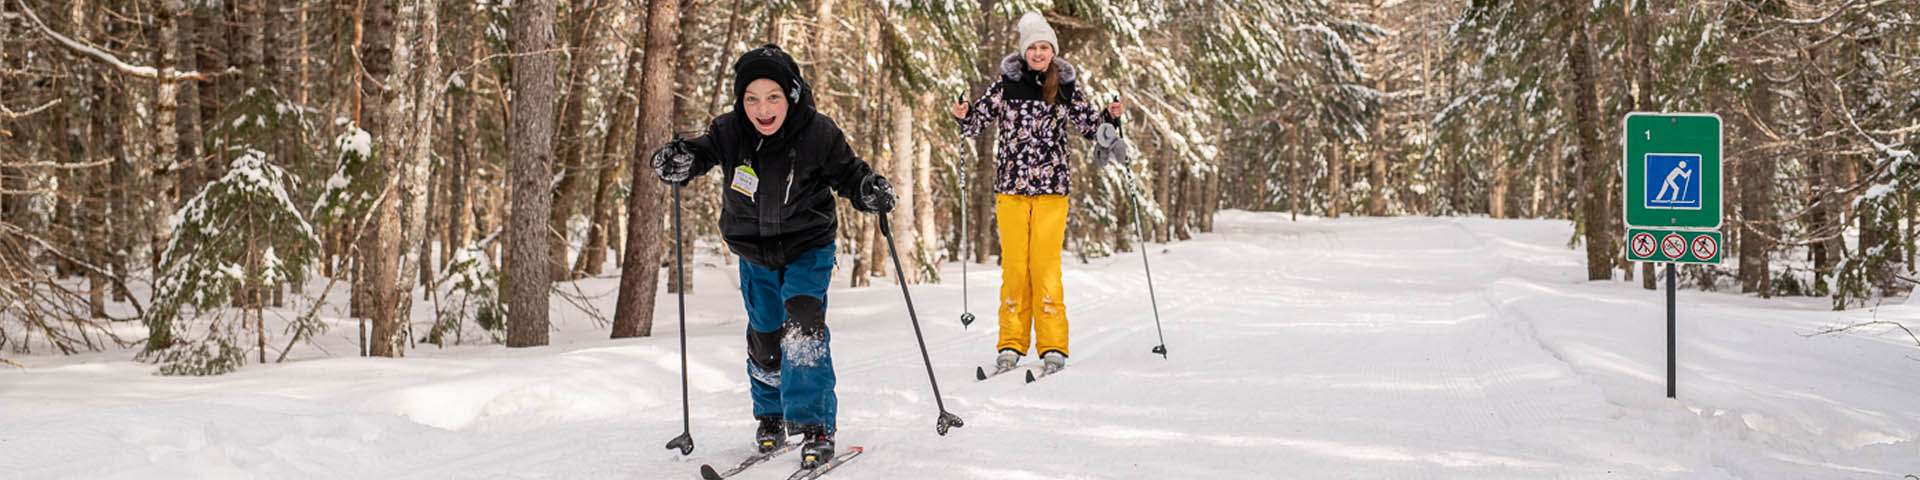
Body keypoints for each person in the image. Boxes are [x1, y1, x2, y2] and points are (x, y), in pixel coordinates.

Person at [651, 44, 895, 469]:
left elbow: (849, 174)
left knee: (802, 324)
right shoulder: (730, 131)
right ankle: (770, 416)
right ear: (740, 100)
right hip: (753, 251)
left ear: (792, 95)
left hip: (808, 247)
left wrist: (868, 191)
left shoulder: (819, 133)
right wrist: (682, 160)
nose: (762, 109)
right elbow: (703, 152)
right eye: (751, 99)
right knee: (765, 336)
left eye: (773, 97)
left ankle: (816, 425)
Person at [952, 12, 1125, 376]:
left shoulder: (1063, 86)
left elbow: (1091, 127)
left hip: (1051, 191)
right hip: (1011, 189)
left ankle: (1052, 346)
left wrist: (1110, 118)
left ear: (1052, 51)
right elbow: (976, 122)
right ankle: (1011, 343)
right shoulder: (1005, 86)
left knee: (1045, 268)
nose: (1039, 53)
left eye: (1044, 47)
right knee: (1015, 269)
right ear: (1024, 51)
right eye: (1033, 47)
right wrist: (963, 114)